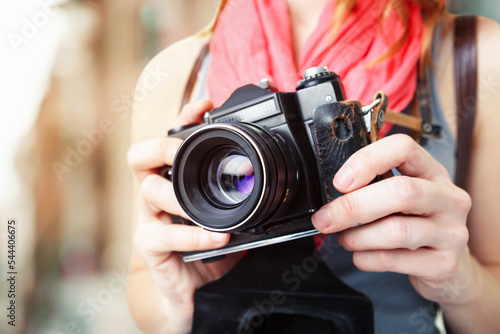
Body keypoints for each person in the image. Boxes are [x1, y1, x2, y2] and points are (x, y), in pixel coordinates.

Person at [126, 0, 500, 333]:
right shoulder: (175, 72)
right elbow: (144, 282)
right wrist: (179, 300)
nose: (239, 178)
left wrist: (460, 282)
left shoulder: (475, 58)